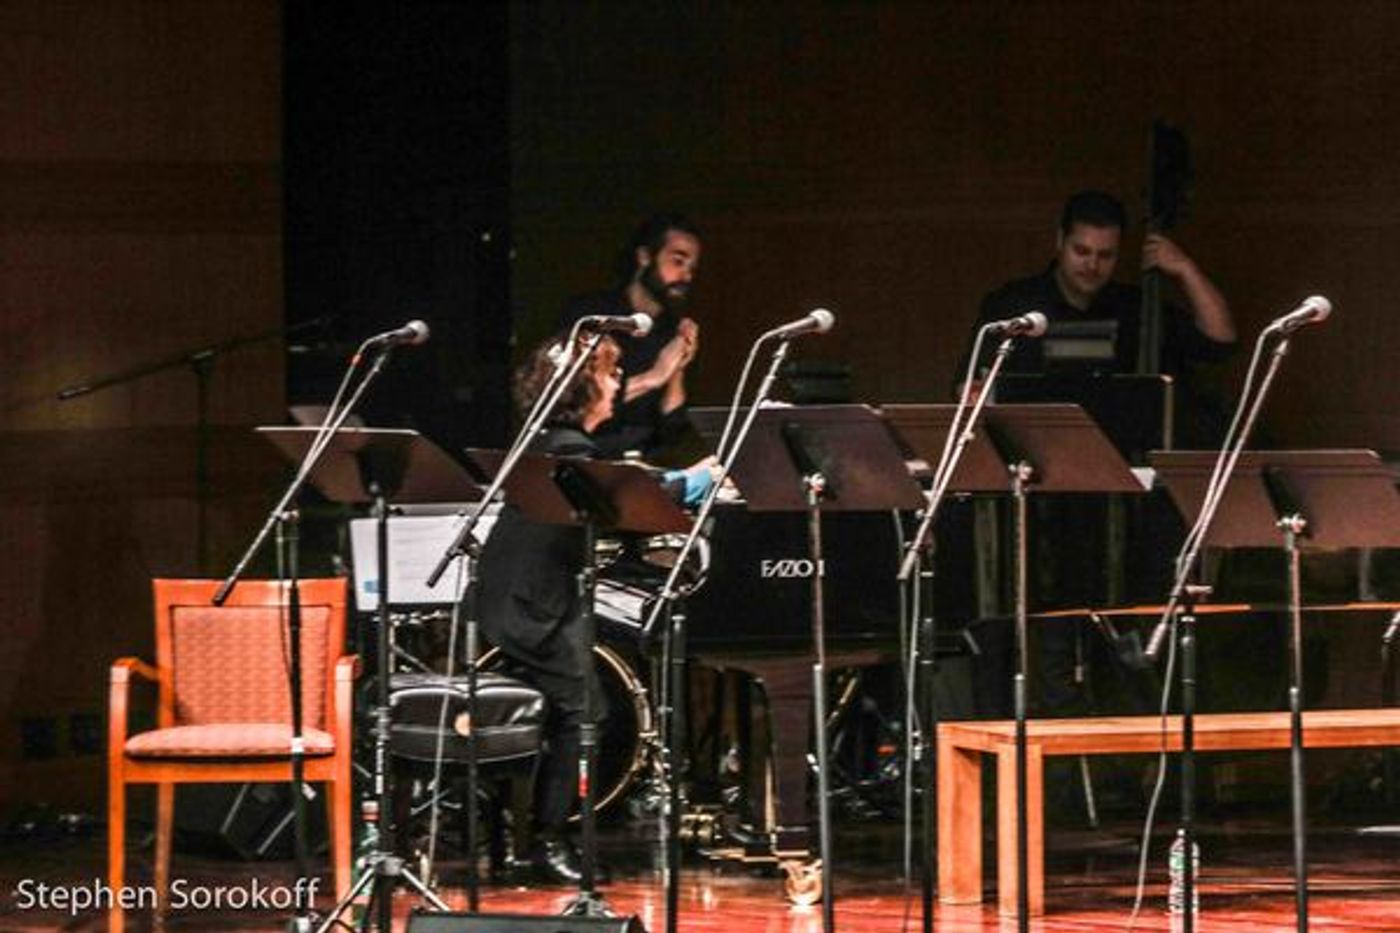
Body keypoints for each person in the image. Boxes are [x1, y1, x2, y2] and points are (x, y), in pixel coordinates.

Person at [473, 331, 712, 885]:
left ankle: (519, 839)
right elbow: (629, 503)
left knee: (558, 714)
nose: (617, 383)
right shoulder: (570, 452)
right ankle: (550, 843)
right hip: (537, 609)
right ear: (582, 389)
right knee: (586, 714)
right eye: (608, 374)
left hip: (513, 599)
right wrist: (697, 480)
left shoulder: (548, 443)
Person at [960, 189, 1236, 390]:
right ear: (1060, 241)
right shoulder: (1013, 304)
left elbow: (1220, 342)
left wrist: (1185, 268)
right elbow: (967, 385)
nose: (1092, 265)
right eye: (1081, 251)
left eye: (1106, 255)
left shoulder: (1136, 310)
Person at [559, 212, 703, 460]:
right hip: (584, 457)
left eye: (692, 268)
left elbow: (672, 428)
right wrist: (654, 377)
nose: (686, 276)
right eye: (678, 262)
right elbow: (573, 404)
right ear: (645, 256)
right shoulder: (592, 315)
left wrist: (677, 369)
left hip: (643, 464)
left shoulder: (672, 329)